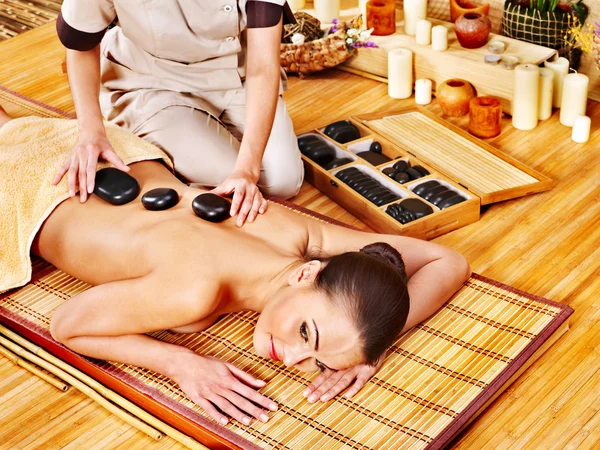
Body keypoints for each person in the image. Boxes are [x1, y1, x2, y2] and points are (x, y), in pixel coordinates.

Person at [0, 107, 471, 427]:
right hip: (31, 187)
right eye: (306, 334)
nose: (292, 359)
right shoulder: (194, 292)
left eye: (319, 363)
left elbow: (447, 260)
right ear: (307, 274)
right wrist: (179, 363)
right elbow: (67, 324)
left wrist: (371, 342)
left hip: (124, 153)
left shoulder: (297, 236)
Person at [53, 0, 304, 227]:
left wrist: (247, 170)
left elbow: (262, 67)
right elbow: (80, 43)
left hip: (239, 75)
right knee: (228, 177)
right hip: (152, 81)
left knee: (283, 181)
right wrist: (91, 131)